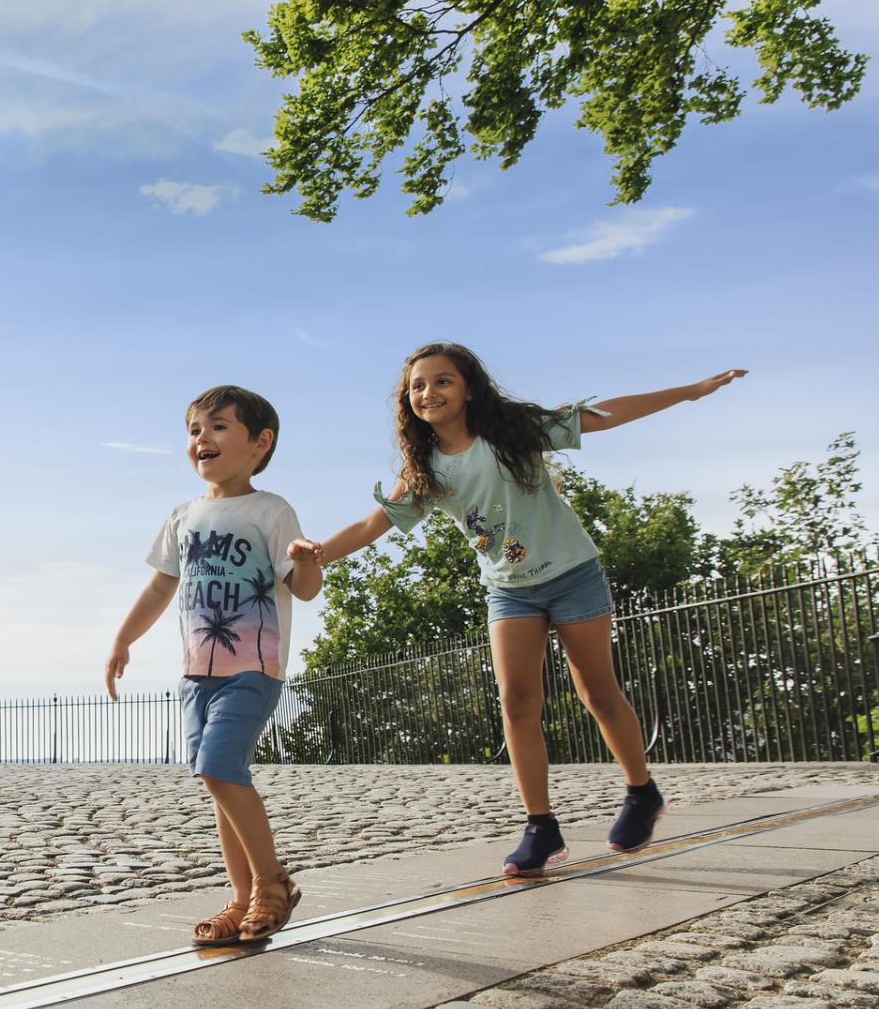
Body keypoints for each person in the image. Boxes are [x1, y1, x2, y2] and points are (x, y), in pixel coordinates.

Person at [290, 343, 745, 876]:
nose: (428, 392)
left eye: (442, 381)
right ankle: (540, 826)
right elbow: (374, 525)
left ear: (468, 388)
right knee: (517, 702)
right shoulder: (426, 468)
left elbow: (608, 413)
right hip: (509, 590)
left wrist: (690, 391)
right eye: (417, 385)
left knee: (596, 691)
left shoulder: (513, 430)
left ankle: (642, 792)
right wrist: (318, 550)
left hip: (572, 574)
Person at [106, 385, 322, 945]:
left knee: (218, 767)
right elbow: (160, 586)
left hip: (252, 668)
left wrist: (307, 562)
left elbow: (303, 589)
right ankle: (243, 896)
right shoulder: (184, 516)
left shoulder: (271, 510)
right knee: (220, 782)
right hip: (195, 675)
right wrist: (123, 640)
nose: (202, 438)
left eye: (218, 426)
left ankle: (272, 885)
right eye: (194, 430)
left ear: (260, 442)